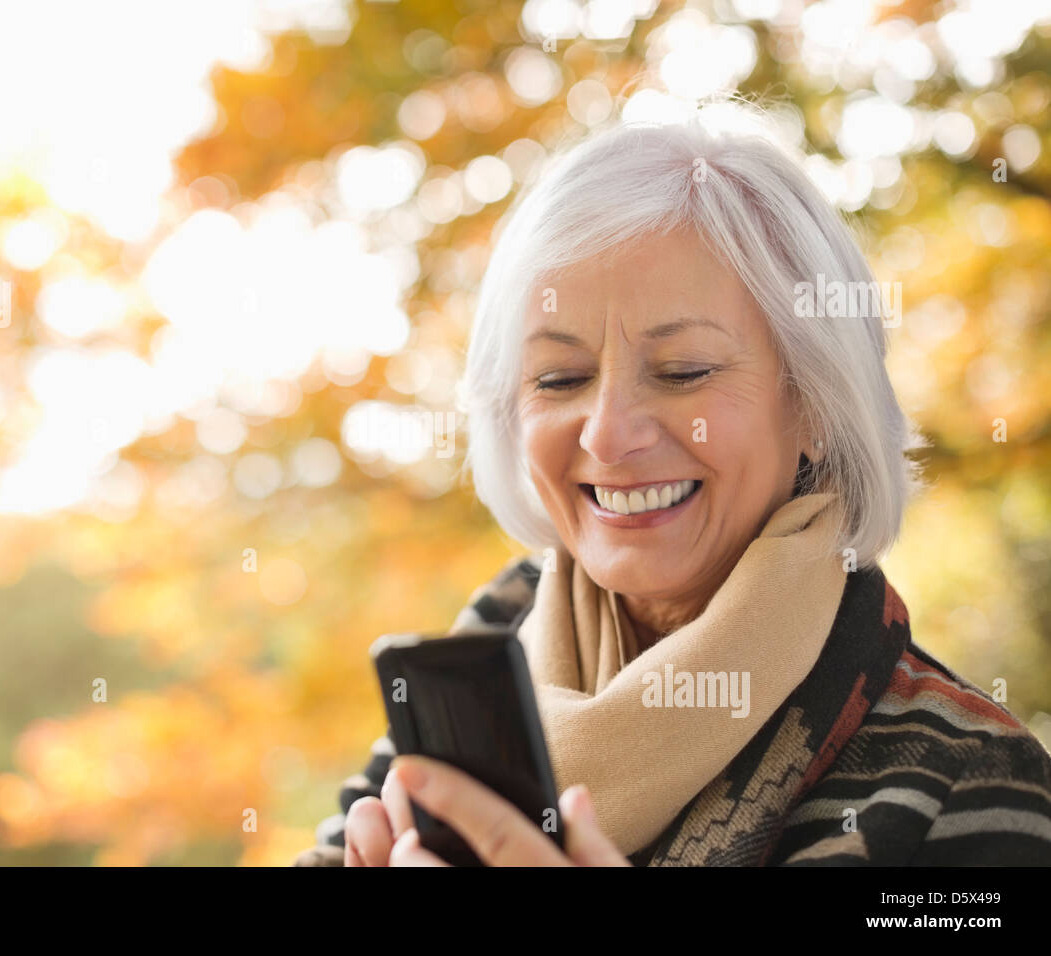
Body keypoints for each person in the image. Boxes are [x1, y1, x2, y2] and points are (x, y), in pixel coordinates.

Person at [293, 102, 1051, 866]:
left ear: (818, 405)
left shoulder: (968, 786)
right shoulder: (466, 690)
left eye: (685, 371)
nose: (608, 434)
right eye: (560, 378)